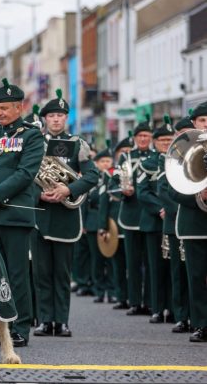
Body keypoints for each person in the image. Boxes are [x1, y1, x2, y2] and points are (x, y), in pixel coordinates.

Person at [0, 77, 44, 347]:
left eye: (5, 108)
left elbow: (26, 173)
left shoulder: (31, 135)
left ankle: (20, 327)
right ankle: (1, 327)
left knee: (16, 274)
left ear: (19, 107)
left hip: (15, 214)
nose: (0, 113)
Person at [32, 89, 98, 338]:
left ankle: (62, 321)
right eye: (52, 116)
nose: (57, 120)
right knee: (41, 272)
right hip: (40, 213)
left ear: (66, 119)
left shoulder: (77, 143)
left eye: (61, 115)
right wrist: (39, 194)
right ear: (45, 119)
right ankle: (44, 320)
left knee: (62, 273)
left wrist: (67, 188)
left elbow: (92, 175)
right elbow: (26, 176)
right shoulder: (35, 142)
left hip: (66, 215)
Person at [169, 102, 207, 343]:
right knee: (196, 277)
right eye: (203, 121)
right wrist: (199, 196)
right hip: (193, 224)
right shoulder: (182, 149)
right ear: (194, 123)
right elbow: (174, 189)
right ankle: (202, 324)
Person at [113, 116, 157, 316]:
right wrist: (124, 190)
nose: (143, 139)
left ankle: (150, 302)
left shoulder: (157, 157)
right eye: (140, 136)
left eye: (146, 135)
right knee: (132, 261)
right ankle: (134, 302)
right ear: (135, 137)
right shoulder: (126, 158)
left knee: (150, 262)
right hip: (130, 215)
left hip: (150, 214)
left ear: (151, 137)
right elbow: (115, 183)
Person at [136, 115, 174, 324]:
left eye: (170, 140)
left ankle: (175, 309)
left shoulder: (179, 161)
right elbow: (142, 191)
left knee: (173, 268)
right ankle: (157, 308)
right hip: (153, 222)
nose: (166, 144)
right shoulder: (147, 163)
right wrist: (160, 208)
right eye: (163, 141)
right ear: (155, 142)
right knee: (155, 267)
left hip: (174, 219)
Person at [158, 113, 193, 333]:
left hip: (195, 219)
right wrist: (180, 209)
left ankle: (198, 316)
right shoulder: (171, 158)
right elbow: (163, 189)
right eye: (179, 134)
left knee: (195, 273)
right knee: (178, 273)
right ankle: (181, 316)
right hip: (175, 221)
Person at [99, 135, 133, 309]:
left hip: (133, 223)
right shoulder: (111, 174)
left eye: (128, 151)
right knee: (117, 265)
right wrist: (102, 226)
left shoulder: (137, 168)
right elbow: (105, 201)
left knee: (134, 265)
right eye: (123, 152)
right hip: (116, 226)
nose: (126, 154)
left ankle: (137, 298)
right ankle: (121, 296)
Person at [85, 145, 114, 303]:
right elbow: (86, 200)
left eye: (108, 160)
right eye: (102, 161)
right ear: (96, 163)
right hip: (93, 221)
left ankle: (112, 290)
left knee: (110, 258)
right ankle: (99, 290)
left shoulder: (114, 178)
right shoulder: (92, 179)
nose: (105, 164)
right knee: (96, 259)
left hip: (111, 223)